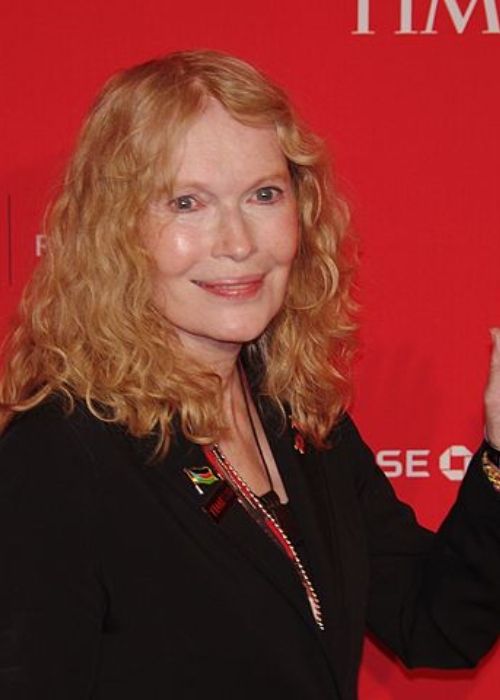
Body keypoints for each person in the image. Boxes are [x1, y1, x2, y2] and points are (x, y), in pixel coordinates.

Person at [0, 50, 498, 700]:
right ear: (116, 232)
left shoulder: (294, 413)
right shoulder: (61, 451)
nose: (238, 242)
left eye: (264, 195)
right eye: (187, 203)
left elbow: (433, 623)